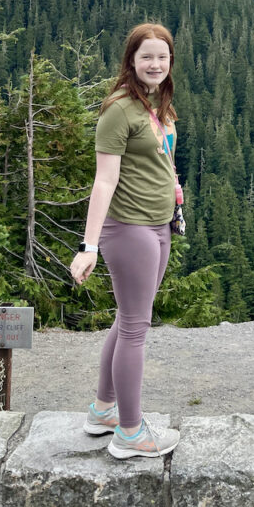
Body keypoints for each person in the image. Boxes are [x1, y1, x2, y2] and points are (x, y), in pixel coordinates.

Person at [69, 22, 181, 459]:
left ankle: (103, 411)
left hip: (159, 224)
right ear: (131, 61)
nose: (155, 64)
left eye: (162, 57)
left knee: (128, 317)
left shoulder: (158, 102)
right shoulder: (119, 110)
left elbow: (160, 154)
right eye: (146, 57)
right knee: (136, 326)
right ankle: (130, 434)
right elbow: (104, 181)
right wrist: (89, 246)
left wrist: (173, 188)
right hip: (128, 228)